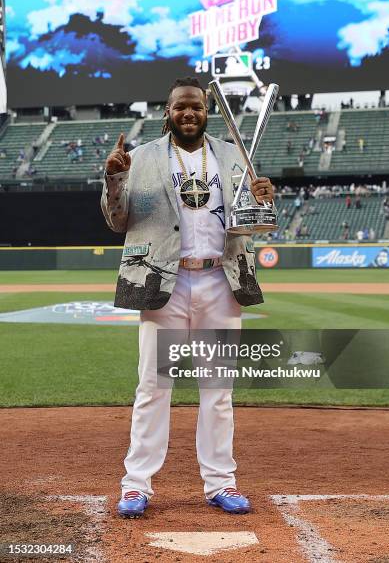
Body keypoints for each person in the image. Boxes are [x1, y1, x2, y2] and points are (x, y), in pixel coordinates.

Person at [101, 77, 274, 519]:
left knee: (217, 391)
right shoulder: (140, 158)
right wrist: (115, 180)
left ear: (206, 111)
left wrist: (265, 202)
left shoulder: (236, 155)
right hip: (165, 284)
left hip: (220, 281)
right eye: (181, 107)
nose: (189, 113)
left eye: (196, 106)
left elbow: (255, 223)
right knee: (154, 386)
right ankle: (136, 485)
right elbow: (117, 222)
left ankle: (220, 483)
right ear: (168, 111)